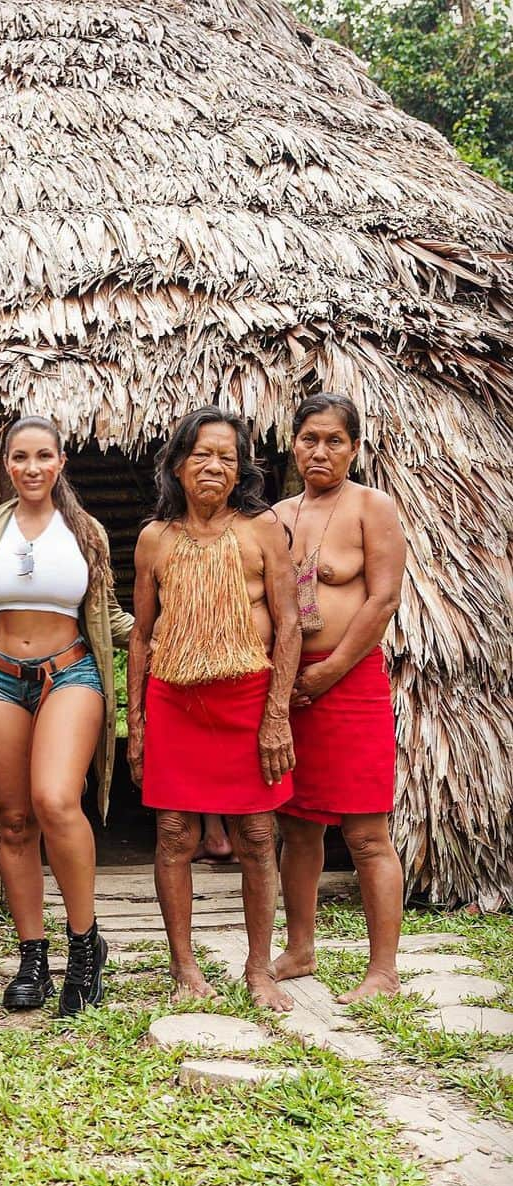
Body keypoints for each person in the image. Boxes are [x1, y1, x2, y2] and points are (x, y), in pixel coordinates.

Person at [128, 406, 300, 1011]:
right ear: (177, 465)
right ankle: (184, 968)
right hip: (175, 700)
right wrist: (138, 725)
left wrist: (276, 714)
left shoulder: (261, 531)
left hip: (247, 699)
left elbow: (288, 628)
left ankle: (259, 968)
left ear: (241, 470)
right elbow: (143, 635)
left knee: (256, 834)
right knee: (175, 833)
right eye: (202, 454)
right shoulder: (156, 539)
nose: (214, 466)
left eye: (227, 457)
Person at [0, 416, 132, 1016]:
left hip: (71, 671)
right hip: (0, 677)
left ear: (61, 462)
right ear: (5, 464)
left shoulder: (85, 531)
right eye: (19, 457)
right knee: (12, 820)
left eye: (43, 456)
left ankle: (85, 948)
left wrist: (158, 639)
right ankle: (32, 952)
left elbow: (107, 613)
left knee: (56, 799)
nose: (31, 468)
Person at [272, 393, 406, 1002]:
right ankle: (299, 949)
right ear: (292, 442)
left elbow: (382, 600)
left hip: (348, 685)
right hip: (290, 686)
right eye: (310, 439)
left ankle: (383, 970)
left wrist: (330, 672)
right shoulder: (278, 515)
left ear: (353, 447)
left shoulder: (371, 507)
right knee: (296, 825)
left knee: (366, 832)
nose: (320, 451)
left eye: (334, 441)